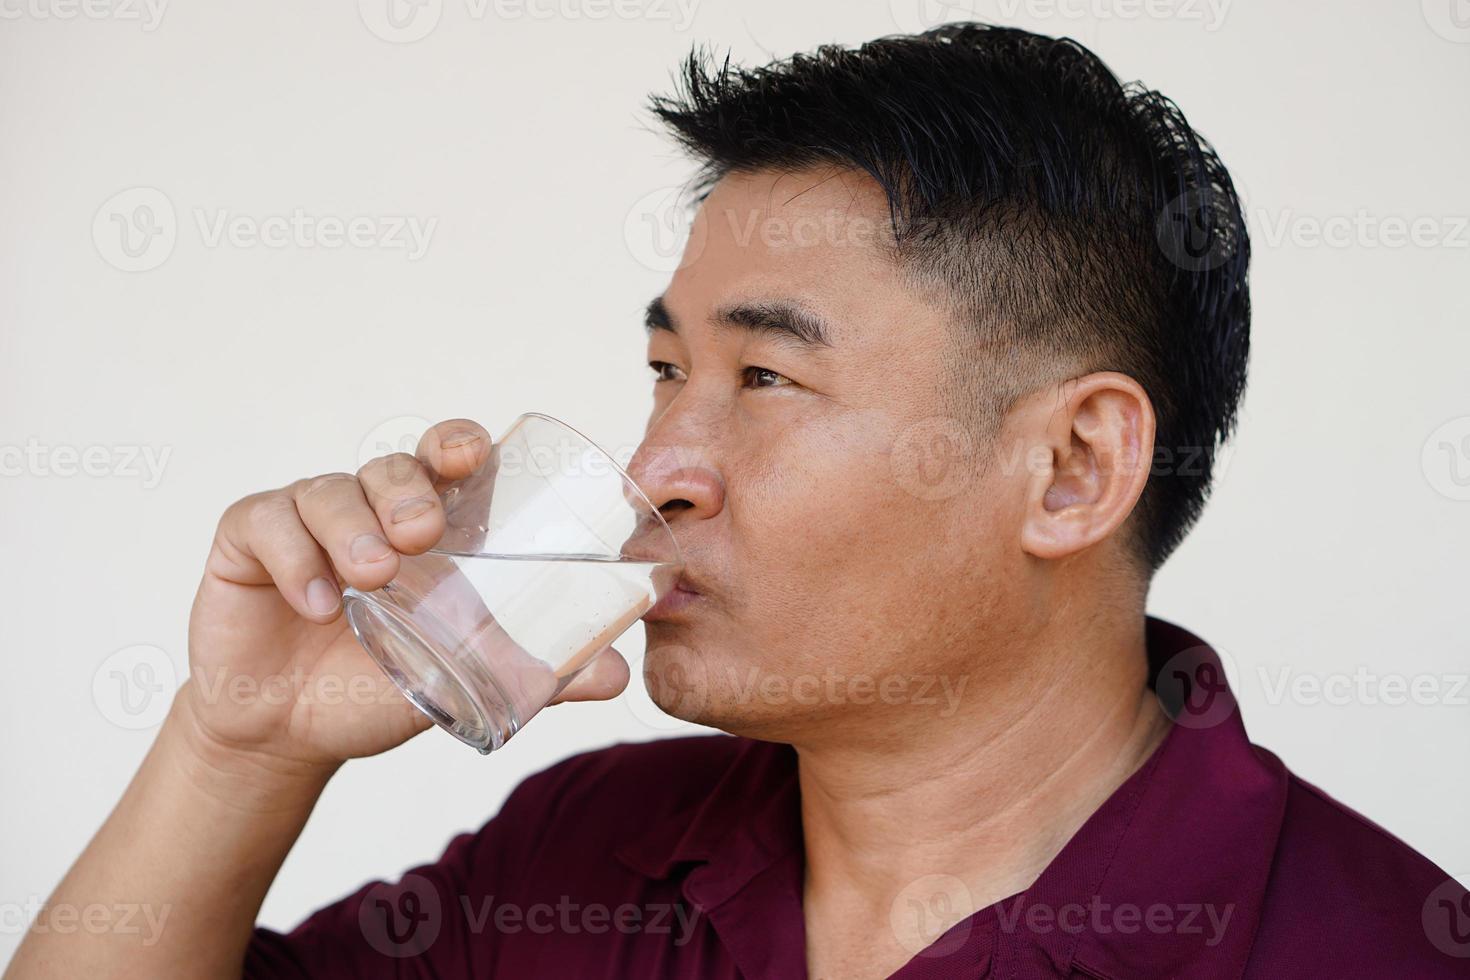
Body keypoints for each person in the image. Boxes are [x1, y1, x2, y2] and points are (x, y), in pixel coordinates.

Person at [10, 23, 1466, 980]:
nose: (658, 468)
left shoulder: (1368, 948)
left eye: (763, 379)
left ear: (1073, 468)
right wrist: (237, 746)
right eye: (663, 369)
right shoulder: (584, 863)